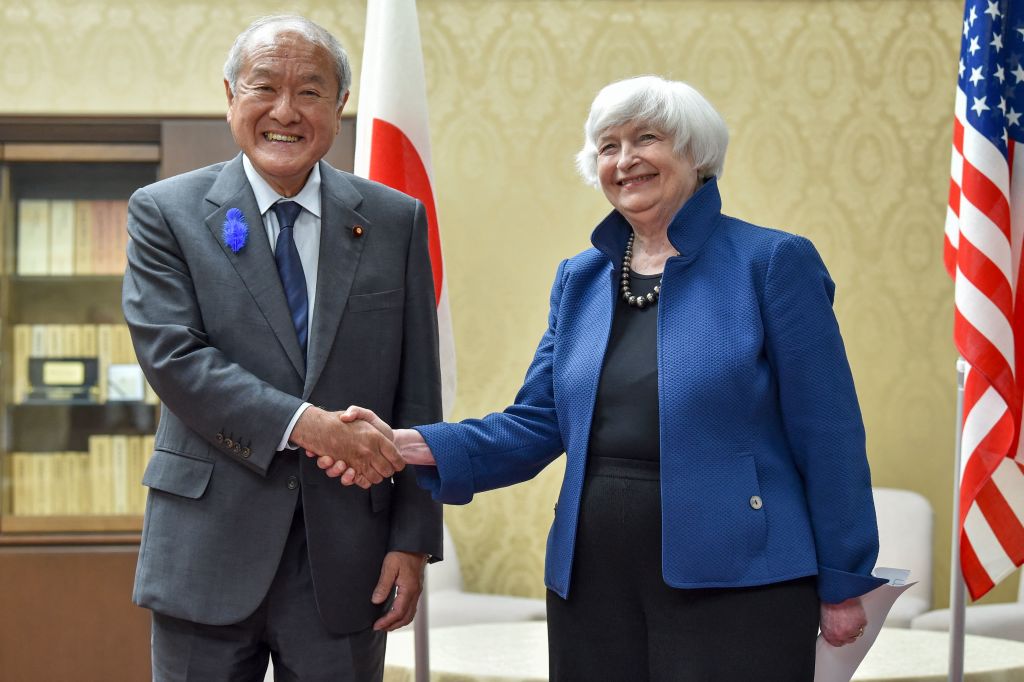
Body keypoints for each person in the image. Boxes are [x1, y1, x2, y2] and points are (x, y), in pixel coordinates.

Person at [325, 76, 885, 681]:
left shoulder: (771, 262)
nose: (625, 160)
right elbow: (537, 422)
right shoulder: (582, 278)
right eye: (609, 146)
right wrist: (407, 443)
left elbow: (828, 432)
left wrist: (844, 580)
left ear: (697, 155)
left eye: (647, 139)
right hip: (592, 579)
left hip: (741, 577)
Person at [122, 14, 442, 681]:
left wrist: (412, 539)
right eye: (264, 87)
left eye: (310, 92)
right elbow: (176, 360)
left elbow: (417, 392)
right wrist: (309, 426)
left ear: (340, 104)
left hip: (349, 556)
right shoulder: (165, 212)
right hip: (206, 547)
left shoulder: (395, 220)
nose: (285, 112)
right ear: (231, 96)